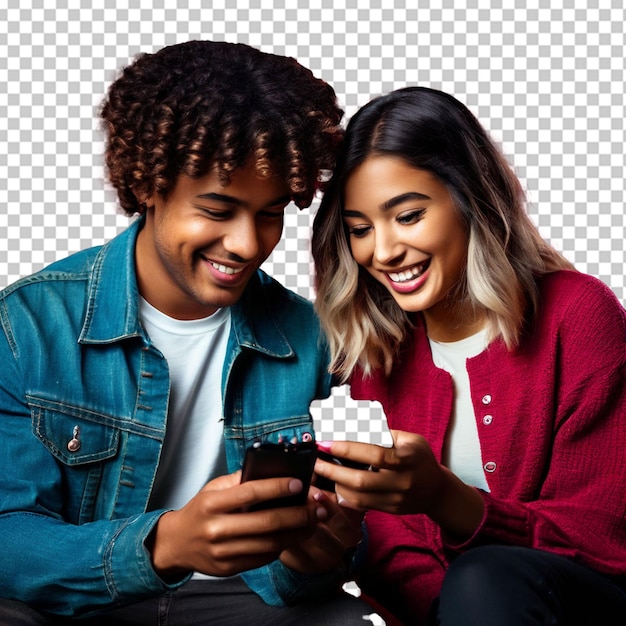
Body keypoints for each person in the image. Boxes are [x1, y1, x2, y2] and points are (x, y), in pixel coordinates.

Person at [0, 40, 376, 625]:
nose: (249, 245)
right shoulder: (28, 326)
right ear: (148, 185)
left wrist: (320, 554)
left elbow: (346, 550)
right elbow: (7, 536)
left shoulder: (315, 336)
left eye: (271, 212)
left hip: (244, 600)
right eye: (219, 210)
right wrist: (163, 545)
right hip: (84, 603)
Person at [311, 86, 626, 625]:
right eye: (360, 229)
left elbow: (603, 535)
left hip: (588, 600)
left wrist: (445, 497)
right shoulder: (377, 351)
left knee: (482, 580)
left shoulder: (577, 313)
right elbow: (390, 549)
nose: (382, 252)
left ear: (469, 198)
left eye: (407, 216)